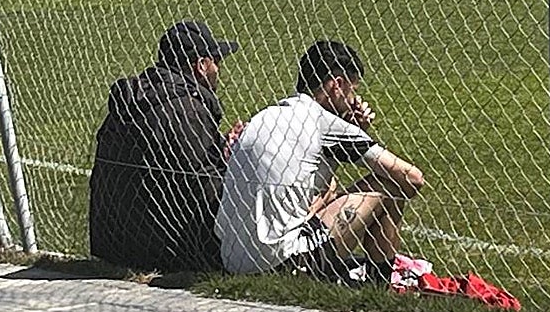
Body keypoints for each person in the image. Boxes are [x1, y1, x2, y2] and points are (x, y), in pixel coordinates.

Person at [215, 39, 424, 282]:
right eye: (352, 90)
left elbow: (320, 189)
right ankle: (381, 283)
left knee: (330, 189)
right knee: (390, 185)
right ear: (337, 85)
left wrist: (352, 129)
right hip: (283, 265)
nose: (354, 97)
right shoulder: (323, 121)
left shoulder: (266, 116)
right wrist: (356, 133)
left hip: (231, 258)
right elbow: (412, 178)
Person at [89, 20, 241, 273]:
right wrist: (235, 162)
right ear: (201, 66)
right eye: (216, 61)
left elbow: (167, 161)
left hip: (112, 242)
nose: (218, 69)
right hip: (163, 250)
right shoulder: (185, 109)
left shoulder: (140, 99)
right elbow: (203, 188)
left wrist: (220, 149)